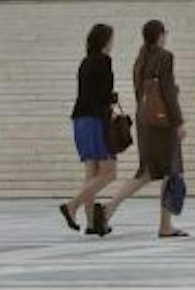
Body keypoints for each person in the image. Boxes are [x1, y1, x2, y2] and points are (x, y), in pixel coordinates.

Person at [100, 18, 188, 238]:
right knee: (171, 170)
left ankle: (108, 208)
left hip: (145, 121)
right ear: (160, 35)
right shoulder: (164, 57)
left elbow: (141, 93)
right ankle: (165, 225)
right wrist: (178, 122)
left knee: (147, 171)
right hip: (163, 121)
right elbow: (167, 92)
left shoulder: (140, 59)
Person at [65, 21, 121, 235]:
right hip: (96, 119)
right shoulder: (104, 60)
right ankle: (72, 206)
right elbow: (104, 94)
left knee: (92, 173)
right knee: (109, 173)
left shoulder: (85, 61)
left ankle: (90, 223)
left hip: (80, 119)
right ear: (105, 40)